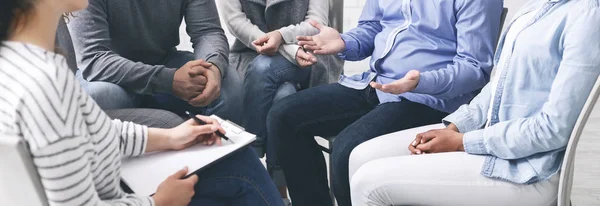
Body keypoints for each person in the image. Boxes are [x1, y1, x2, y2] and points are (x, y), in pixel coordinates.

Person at [0, 0, 284, 205]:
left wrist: (172, 136)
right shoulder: (49, 84)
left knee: (227, 148)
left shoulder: (23, 66)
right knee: (240, 166)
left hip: (118, 184)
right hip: (129, 196)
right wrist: (158, 202)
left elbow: (95, 130)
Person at [348, 0, 600, 205]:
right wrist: (454, 128)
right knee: (360, 155)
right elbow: (495, 89)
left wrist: (463, 143)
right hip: (491, 139)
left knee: (369, 184)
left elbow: (553, 130)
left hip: (526, 169)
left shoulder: (587, 16)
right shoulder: (536, 9)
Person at [267, 0, 503, 205]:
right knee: (284, 116)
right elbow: (373, 28)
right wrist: (344, 42)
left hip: (428, 98)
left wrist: (421, 82)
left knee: (348, 151)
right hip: (375, 84)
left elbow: (475, 69)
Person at [217, 0, 343, 203]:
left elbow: (316, 22)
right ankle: (279, 192)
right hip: (251, 53)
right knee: (283, 96)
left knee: (263, 69)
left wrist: (282, 37)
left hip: (307, 54)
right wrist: (284, 48)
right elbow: (235, 22)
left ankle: (252, 155)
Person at [68, 0, 242, 123]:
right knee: (99, 96)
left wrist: (212, 66)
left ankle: (216, 168)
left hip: (163, 61)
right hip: (110, 76)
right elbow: (94, 58)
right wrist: (168, 80)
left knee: (229, 86)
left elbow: (207, 32)